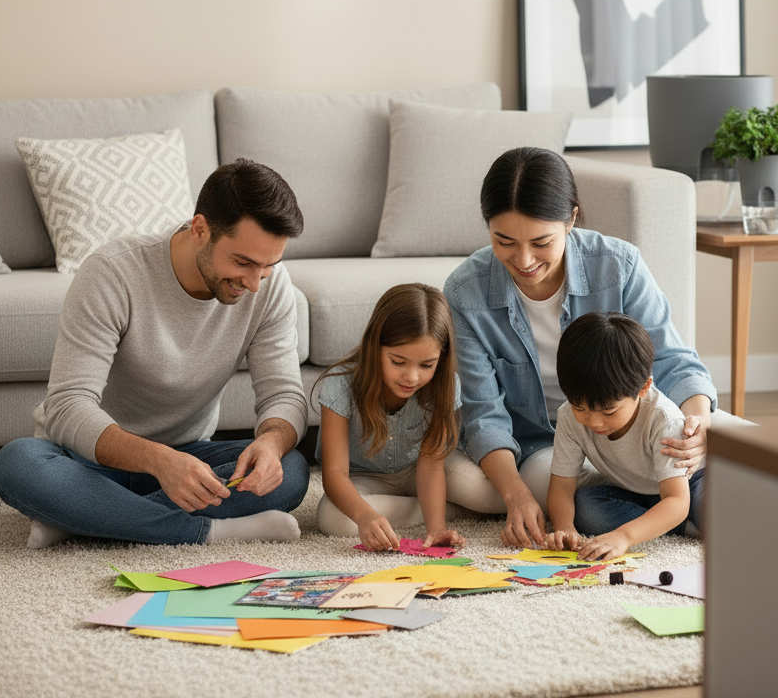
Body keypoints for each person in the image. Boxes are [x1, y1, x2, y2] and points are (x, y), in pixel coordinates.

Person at [0, 158, 311, 547]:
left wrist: (271, 444)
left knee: (291, 469)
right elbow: (68, 406)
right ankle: (207, 530)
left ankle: (88, 516)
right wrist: (159, 461)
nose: (255, 283)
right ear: (200, 229)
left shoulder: (270, 288)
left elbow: (284, 395)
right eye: (242, 262)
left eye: (268, 266)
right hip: (87, 460)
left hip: (191, 458)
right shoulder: (113, 273)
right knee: (17, 464)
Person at [443, 146, 740, 549]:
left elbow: (672, 360)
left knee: (756, 450)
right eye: (504, 241)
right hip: (547, 443)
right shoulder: (466, 293)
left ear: (571, 220)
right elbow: (484, 414)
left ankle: (672, 501)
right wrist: (516, 496)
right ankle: (671, 508)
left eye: (541, 242)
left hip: (640, 425)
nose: (524, 260)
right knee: (530, 490)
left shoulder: (618, 265)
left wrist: (696, 427)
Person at [314, 283, 465, 552]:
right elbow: (335, 474)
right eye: (398, 362)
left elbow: (431, 466)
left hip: (418, 473)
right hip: (365, 479)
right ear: (375, 347)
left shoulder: (445, 384)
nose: (412, 377)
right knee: (332, 517)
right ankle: (452, 509)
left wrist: (437, 528)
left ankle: (436, 510)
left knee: (484, 493)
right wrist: (365, 516)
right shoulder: (339, 385)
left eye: (427, 365)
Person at [545, 312, 703, 561]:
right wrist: (564, 527)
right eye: (579, 407)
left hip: (690, 485)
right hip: (634, 492)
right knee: (585, 507)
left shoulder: (663, 419)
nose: (594, 422)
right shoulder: (568, 417)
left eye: (609, 411)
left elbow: (677, 500)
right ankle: (674, 526)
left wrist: (624, 537)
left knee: (719, 513)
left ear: (643, 388)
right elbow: (561, 487)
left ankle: (676, 524)